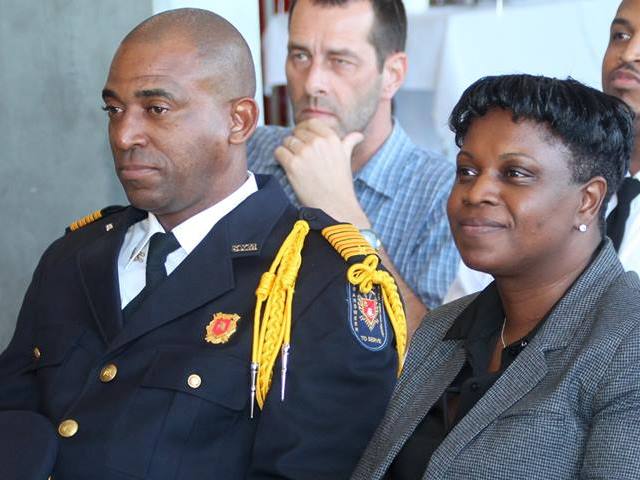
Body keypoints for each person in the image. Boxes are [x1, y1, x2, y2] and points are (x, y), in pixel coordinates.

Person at [0, 9, 407, 480]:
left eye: (156, 109)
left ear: (238, 120)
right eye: (114, 110)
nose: (124, 135)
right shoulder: (73, 256)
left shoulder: (315, 284)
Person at [352, 75, 640, 480]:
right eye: (467, 171)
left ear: (587, 201)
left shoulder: (627, 341)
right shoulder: (442, 329)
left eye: (515, 173)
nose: (475, 193)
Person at [248, 0, 459, 336]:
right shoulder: (252, 152)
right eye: (300, 56)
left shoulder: (443, 194)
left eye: (340, 61)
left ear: (392, 75)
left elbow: (431, 355)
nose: (312, 83)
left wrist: (344, 214)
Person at [444, 0, 640, 302]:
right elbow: (468, 308)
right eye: (620, 36)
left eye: (515, 173)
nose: (627, 54)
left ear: (590, 199)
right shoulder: (552, 170)